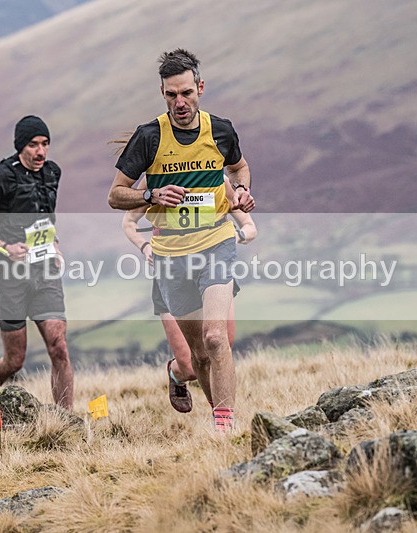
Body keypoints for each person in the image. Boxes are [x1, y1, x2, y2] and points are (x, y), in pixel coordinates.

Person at [108, 49, 255, 431]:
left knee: (215, 337)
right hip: (172, 254)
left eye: (186, 93)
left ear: (200, 88)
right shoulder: (149, 137)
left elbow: (239, 168)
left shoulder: (220, 130)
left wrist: (241, 192)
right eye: (172, 95)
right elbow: (115, 195)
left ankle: (225, 428)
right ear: (162, 93)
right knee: (199, 356)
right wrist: (150, 196)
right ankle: (216, 413)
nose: (180, 103)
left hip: (216, 243)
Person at [0, 115, 74, 409]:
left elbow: (46, 218)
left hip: (45, 272)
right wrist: (4, 248)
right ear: (20, 146)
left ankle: (66, 422)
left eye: (45, 144)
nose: (41, 151)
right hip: (10, 277)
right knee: (14, 361)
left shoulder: (52, 172)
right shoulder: (1, 176)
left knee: (59, 347)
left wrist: (55, 246)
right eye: (34, 145)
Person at [122, 176, 257, 414]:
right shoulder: (155, 177)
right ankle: (176, 373)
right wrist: (145, 247)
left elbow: (250, 227)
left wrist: (232, 237)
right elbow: (129, 222)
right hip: (171, 272)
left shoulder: (217, 177)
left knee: (219, 344)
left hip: (213, 267)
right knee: (192, 364)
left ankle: (221, 419)